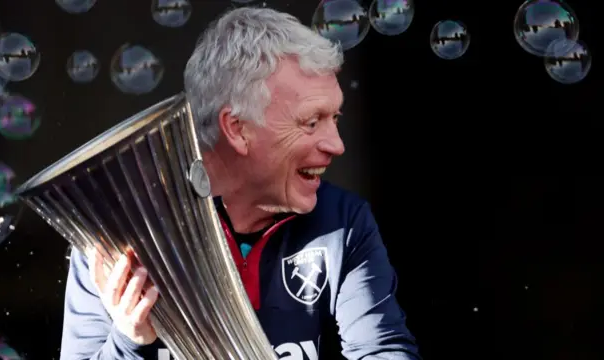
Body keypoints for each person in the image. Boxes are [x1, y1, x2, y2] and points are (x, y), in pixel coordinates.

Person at [59, 6, 421, 360]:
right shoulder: (118, 235)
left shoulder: (344, 222)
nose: (336, 145)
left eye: (335, 118)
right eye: (311, 122)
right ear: (237, 129)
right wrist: (129, 340)